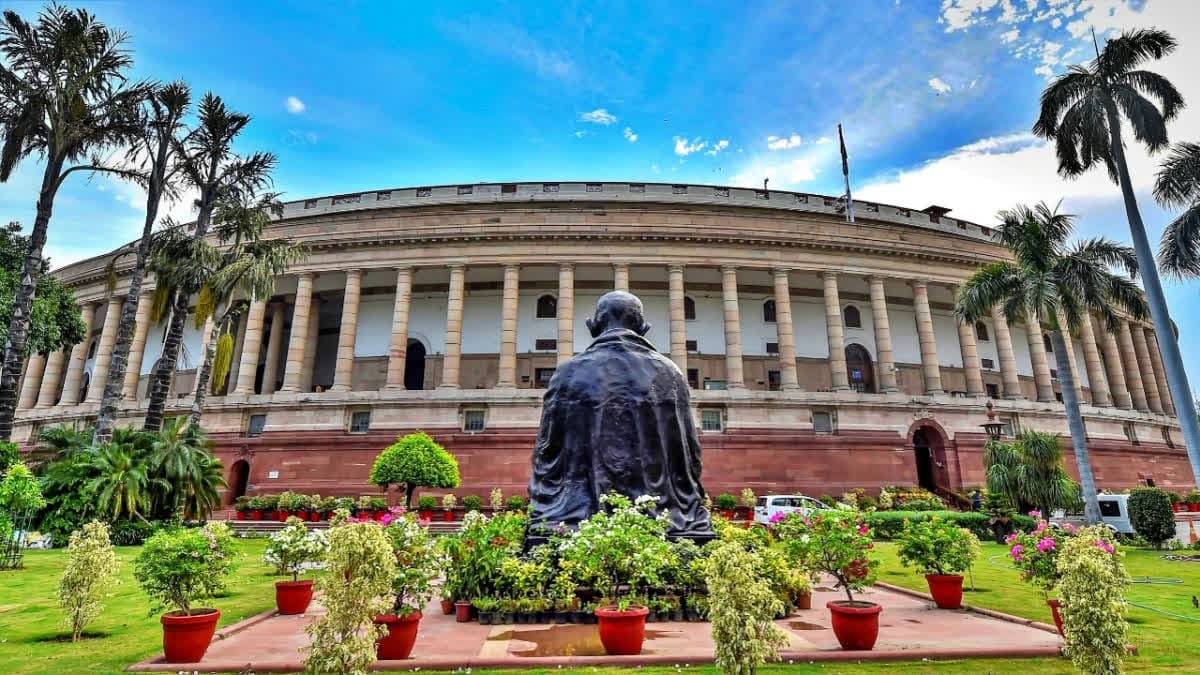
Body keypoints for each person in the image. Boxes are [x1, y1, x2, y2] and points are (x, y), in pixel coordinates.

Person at [527, 291, 712, 541]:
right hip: (664, 515)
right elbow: (689, 452)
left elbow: (547, 451)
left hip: (576, 514)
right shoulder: (670, 372)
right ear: (642, 326)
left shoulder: (567, 372)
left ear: (595, 324)